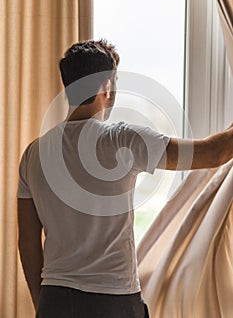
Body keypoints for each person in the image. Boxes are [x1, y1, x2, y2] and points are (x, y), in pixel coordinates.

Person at [17, 39, 233, 318]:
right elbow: (213, 153)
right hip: (112, 300)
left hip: (54, 298)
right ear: (105, 87)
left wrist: (43, 304)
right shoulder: (121, 139)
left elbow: (28, 241)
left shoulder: (33, 154)